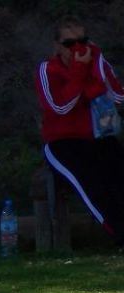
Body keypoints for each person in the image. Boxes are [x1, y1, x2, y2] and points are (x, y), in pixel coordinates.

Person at [35, 15, 124, 243]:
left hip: (98, 136)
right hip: (62, 141)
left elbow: (119, 96)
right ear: (58, 46)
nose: (77, 48)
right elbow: (60, 106)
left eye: (82, 41)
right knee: (92, 184)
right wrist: (78, 70)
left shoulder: (96, 64)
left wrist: (99, 65)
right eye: (69, 43)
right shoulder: (48, 70)